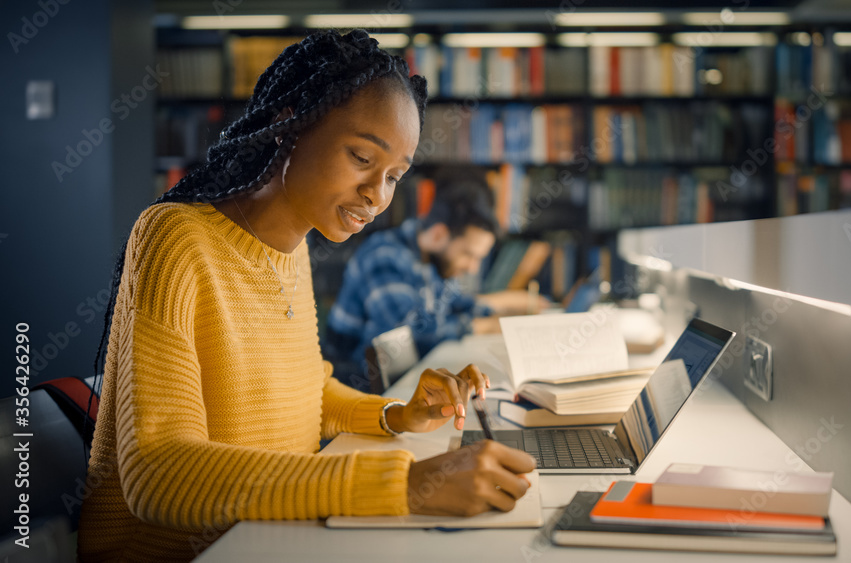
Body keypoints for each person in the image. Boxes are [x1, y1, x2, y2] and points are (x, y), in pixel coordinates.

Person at [77, 30, 534, 562]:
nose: (377, 195)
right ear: (287, 123)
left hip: (267, 539)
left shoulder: (292, 251)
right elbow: (159, 473)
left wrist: (396, 415)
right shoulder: (175, 239)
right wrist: (403, 483)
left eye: (394, 176)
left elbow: (305, 393)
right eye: (362, 156)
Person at [326, 179, 548, 390]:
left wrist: (505, 306)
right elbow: (408, 334)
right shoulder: (384, 257)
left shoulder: (430, 257)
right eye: (469, 255)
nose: (472, 268)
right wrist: (484, 326)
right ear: (439, 234)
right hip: (354, 386)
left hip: (403, 380)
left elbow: (453, 304)